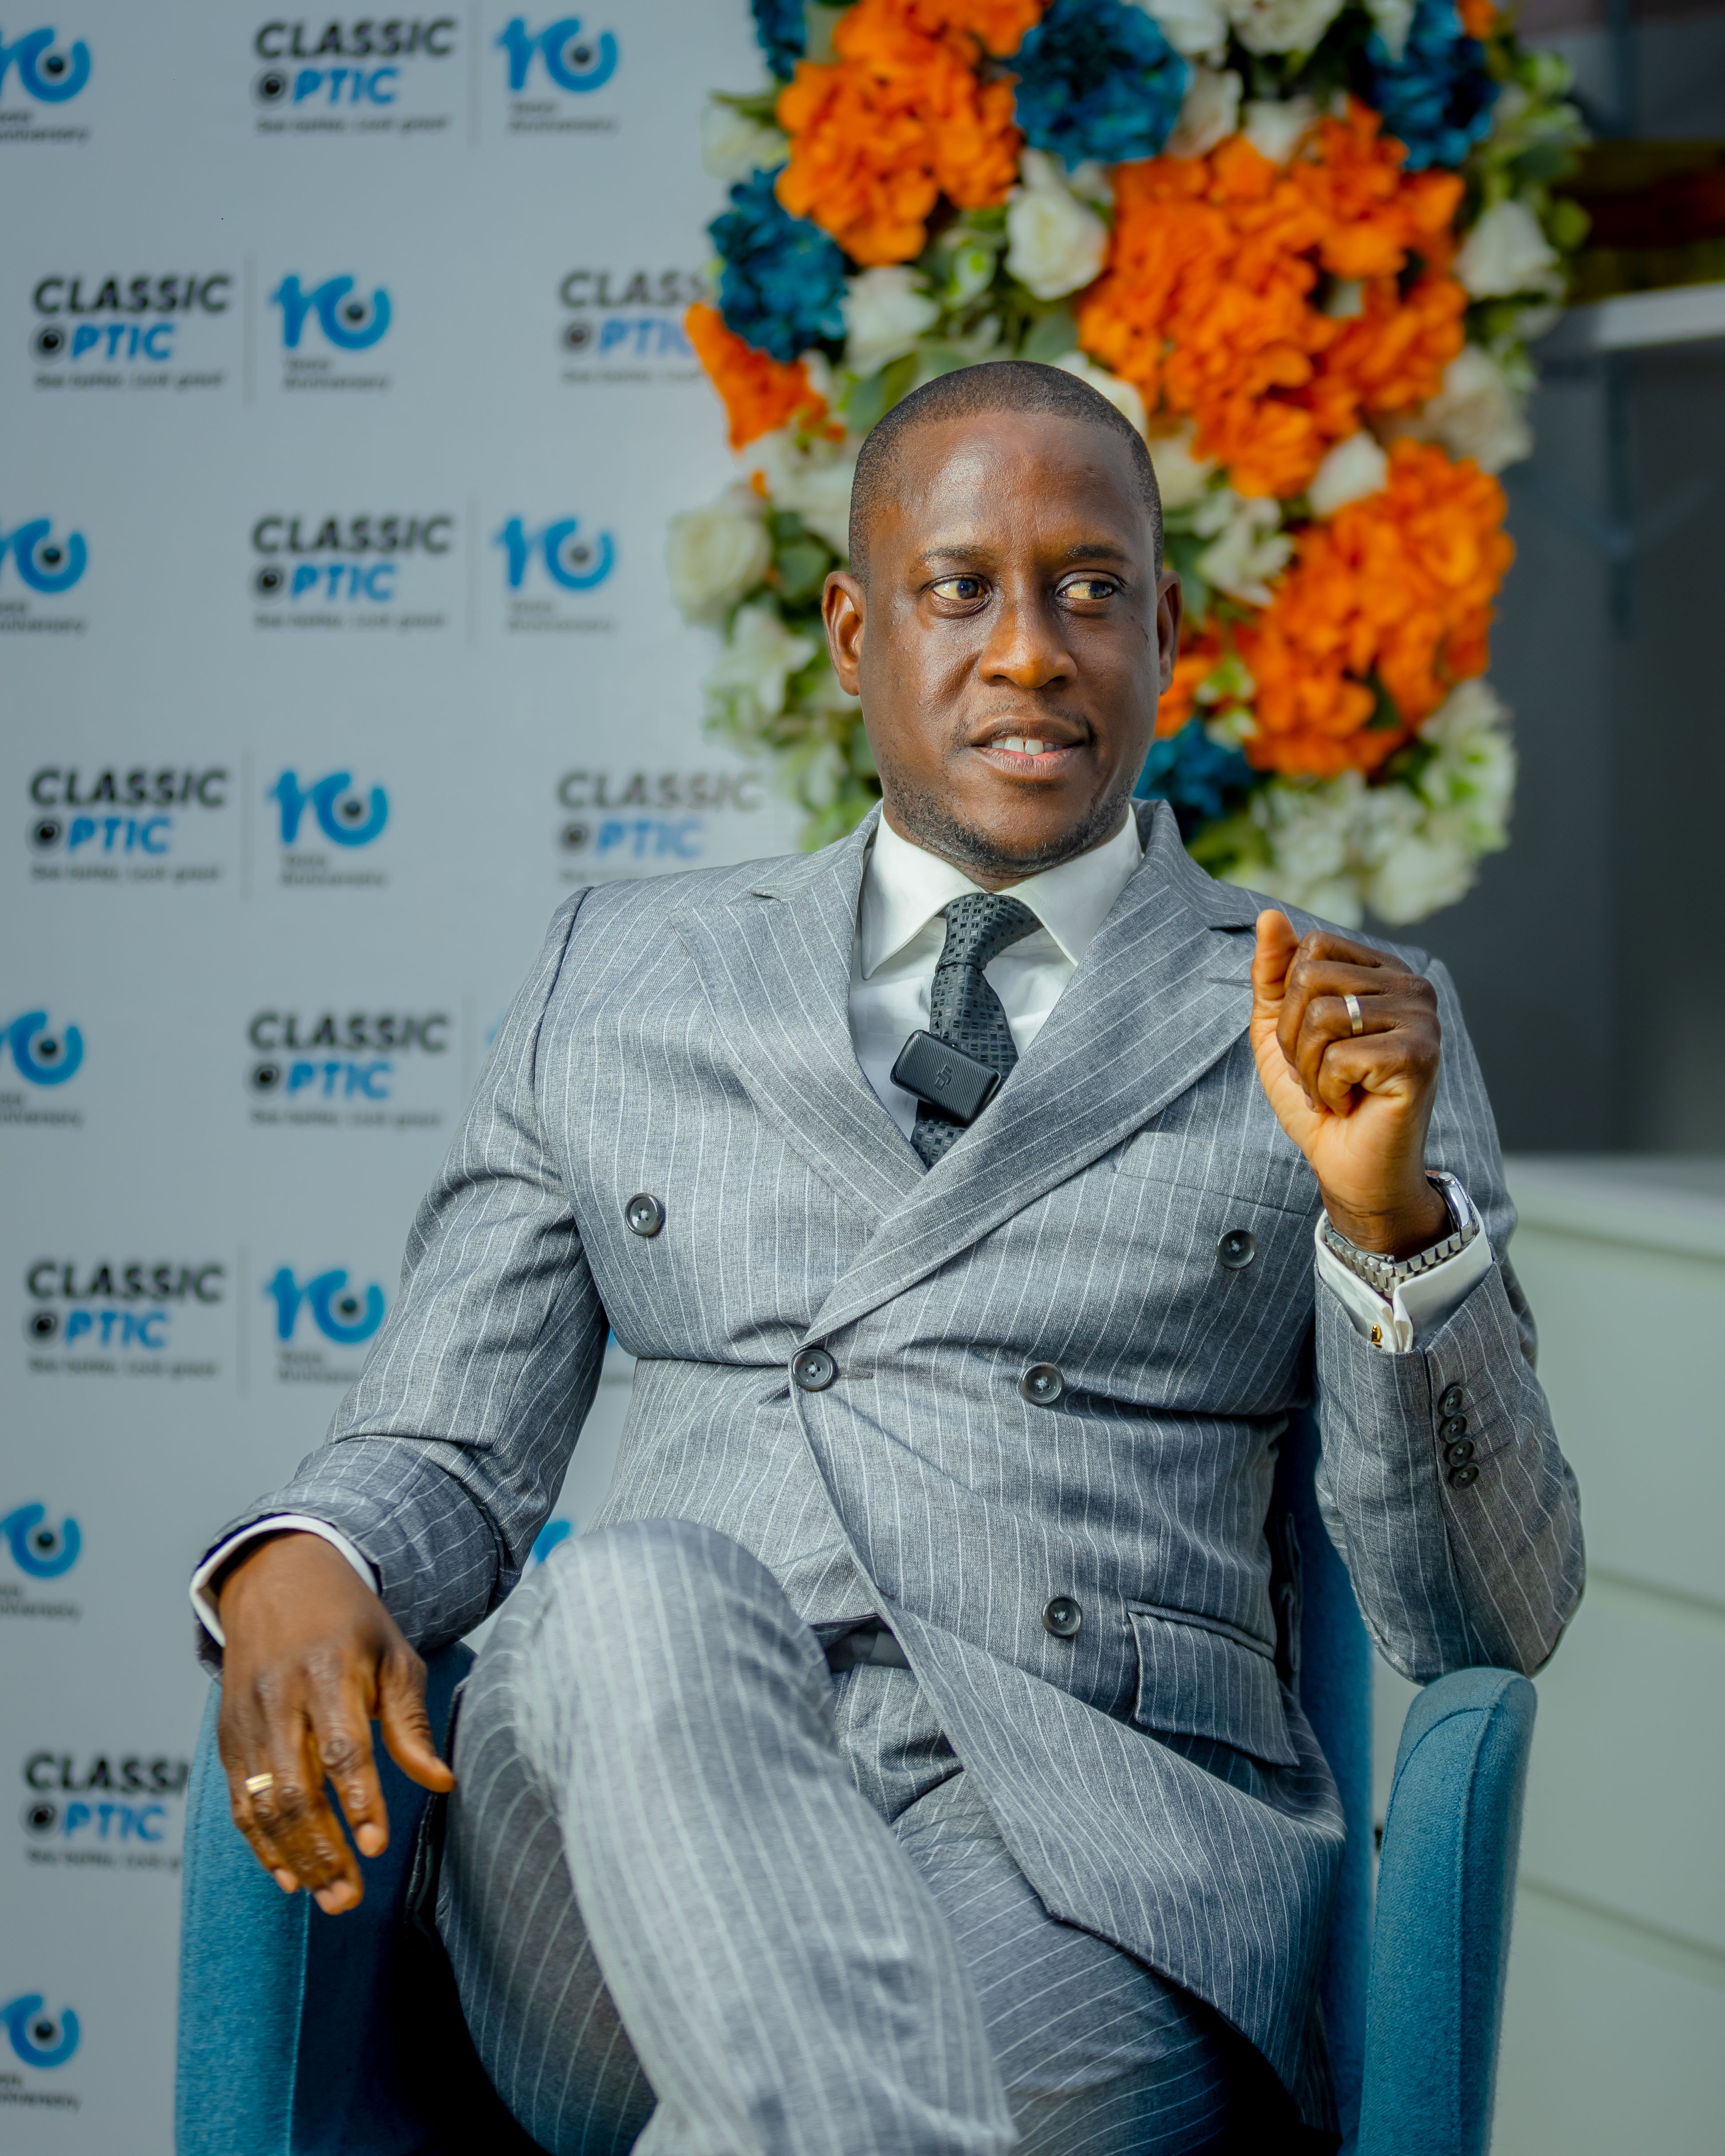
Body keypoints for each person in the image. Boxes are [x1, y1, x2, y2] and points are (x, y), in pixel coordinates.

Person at [192, 361, 1583, 2156]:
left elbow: (1484, 1618)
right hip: (619, 1828)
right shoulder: (619, 975)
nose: (1031, 652)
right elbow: (447, 1445)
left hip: (1090, 1876)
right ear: (858, 634)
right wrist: (306, 1552)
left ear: (1167, 631)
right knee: (631, 1593)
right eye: (962, 589)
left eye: (1090, 589)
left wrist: (1394, 1229)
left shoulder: (1338, 1023)